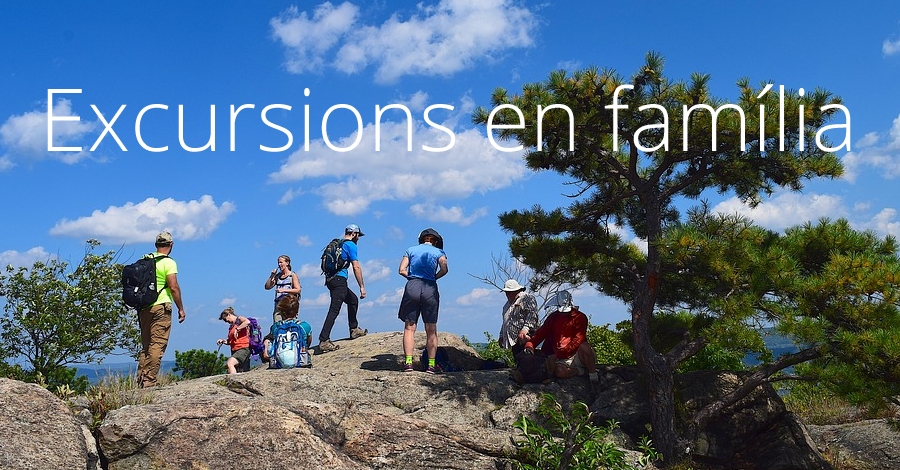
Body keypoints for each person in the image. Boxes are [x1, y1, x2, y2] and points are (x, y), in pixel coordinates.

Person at [136, 231, 186, 388]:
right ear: (171, 245)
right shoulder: (168, 262)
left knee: (146, 345)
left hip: (144, 306)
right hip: (161, 306)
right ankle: (149, 380)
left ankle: (141, 379)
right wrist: (181, 308)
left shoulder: (145, 259)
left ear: (156, 245)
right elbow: (173, 287)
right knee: (157, 343)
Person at [398, 228, 448, 374]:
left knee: (409, 327)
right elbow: (444, 269)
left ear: (422, 239)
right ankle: (431, 365)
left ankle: (408, 363)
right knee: (431, 329)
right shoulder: (439, 252)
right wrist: (433, 278)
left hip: (412, 285)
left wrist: (412, 276)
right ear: (436, 241)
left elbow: (401, 269)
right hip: (430, 287)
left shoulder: (410, 250)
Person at [523, 290, 599, 382]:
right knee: (560, 372)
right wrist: (530, 345)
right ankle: (582, 371)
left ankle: (593, 376)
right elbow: (541, 333)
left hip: (576, 354)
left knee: (585, 347)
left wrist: (558, 355)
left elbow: (578, 340)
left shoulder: (580, 317)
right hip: (561, 357)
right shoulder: (553, 317)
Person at [318, 224, 368, 353]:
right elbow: (356, 267)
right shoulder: (351, 245)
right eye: (358, 235)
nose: (358, 238)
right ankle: (324, 340)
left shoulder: (337, 243)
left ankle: (354, 329)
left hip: (330, 280)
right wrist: (362, 286)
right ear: (354, 234)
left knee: (352, 300)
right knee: (334, 310)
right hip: (339, 280)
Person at [263, 294, 313, 368]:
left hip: (279, 364)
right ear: (297, 310)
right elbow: (308, 342)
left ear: (281, 311)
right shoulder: (305, 326)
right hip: (301, 362)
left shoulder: (276, 327)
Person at [499, 279, 539, 358]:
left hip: (527, 337)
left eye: (510, 292)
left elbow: (532, 315)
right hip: (514, 339)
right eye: (506, 292)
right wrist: (501, 335)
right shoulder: (507, 305)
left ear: (516, 290)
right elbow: (505, 321)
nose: (507, 294)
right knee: (519, 360)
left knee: (528, 361)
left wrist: (525, 329)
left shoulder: (527, 298)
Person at [263, 254, 301, 322]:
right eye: (278, 263)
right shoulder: (278, 276)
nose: (279, 264)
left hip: (289, 306)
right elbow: (267, 287)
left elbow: (298, 290)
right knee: (277, 325)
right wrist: (272, 276)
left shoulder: (292, 275)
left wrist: (284, 290)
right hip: (278, 305)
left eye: (281, 262)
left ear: (287, 263)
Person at [216, 307, 252, 374]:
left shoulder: (239, 319)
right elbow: (231, 341)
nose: (226, 321)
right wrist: (223, 341)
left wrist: (238, 329)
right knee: (242, 371)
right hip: (235, 350)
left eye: (225, 319)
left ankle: (233, 382)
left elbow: (247, 322)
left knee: (230, 363)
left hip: (243, 348)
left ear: (229, 314)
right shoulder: (231, 326)